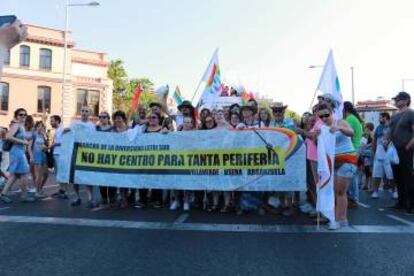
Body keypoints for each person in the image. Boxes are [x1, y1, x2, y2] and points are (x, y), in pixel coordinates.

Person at [317, 104, 356, 229]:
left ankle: (340, 220)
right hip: (333, 163)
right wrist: (316, 135)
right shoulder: (323, 128)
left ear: (332, 112)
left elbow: (351, 133)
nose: (324, 118)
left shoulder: (340, 122)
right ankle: (340, 219)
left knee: (340, 191)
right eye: (321, 116)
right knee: (336, 191)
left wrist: (339, 128)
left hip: (347, 160)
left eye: (326, 115)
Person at [0, 108, 34, 203]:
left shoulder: (20, 126)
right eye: (20, 114)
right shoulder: (16, 125)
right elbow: (9, 137)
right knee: (23, 173)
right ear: (16, 116)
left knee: (14, 175)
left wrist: (27, 138)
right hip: (17, 152)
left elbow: (18, 137)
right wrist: (24, 142)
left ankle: (4, 194)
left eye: (24, 114)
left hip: (19, 152)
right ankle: (24, 196)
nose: (23, 116)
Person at [389, 91, 414, 213]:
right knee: (397, 177)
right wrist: (385, 140)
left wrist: (408, 146)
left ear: (405, 100)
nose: (396, 101)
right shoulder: (394, 116)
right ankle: (401, 202)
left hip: (406, 149)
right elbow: (390, 131)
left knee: (408, 176)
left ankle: (411, 204)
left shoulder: (411, 113)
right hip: (394, 150)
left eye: (398, 99)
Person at [136, 112, 167, 208]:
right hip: (145, 159)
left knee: (156, 179)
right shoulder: (143, 130)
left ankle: (157, 200)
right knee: (143, 179)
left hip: (158, 160)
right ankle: (142, 200)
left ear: (158, 119)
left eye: (154, 117)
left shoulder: (163, 129)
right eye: (149, 117)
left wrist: (166, 133)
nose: (151, 119)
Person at [68, 106, 96, 207]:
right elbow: (69, 135)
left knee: (88, 175)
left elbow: (94, 139)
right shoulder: (74, 124)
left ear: (89, 114)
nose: (84, 113)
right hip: (76, 152)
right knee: (74, 176)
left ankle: (90, 198)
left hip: (87, 153)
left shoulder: (92, 126)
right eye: (83, 111)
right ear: (80, 112)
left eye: (86, 111)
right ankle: (77, 197)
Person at [169, 116, 194, 211]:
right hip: (178, 161)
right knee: (176, 182)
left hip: (189, 162)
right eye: (185, 122)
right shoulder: (177, 134)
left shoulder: (196, 134)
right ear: (182, 123)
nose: (187, 124)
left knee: (186, 183)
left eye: (189, 122)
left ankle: (186, 201)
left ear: (192, 124)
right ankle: (176, 200)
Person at [343, 101, 363, 207]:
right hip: (355, 148)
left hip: (352, 149)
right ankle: (352, 197)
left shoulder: (349, 119)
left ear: (344, 109)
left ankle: (353, 198)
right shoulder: (353, 118)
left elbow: (346, 135)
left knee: (350, 175)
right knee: (351, 174)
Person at [111, 110, 132, 208]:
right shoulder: (112, 130)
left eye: (120, 118)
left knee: (124, 179)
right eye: (116, 118)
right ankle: (117, 198)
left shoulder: (129, 129)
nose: (118, 120)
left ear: (123, 119)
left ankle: (124, 198)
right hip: (114, 158)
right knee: (116, 179)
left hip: (126, 157)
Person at [96, 111, 114, 206]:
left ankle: (111, 197)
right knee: (101, 178)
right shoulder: (96, 129)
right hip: (100, 157)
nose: (102, 119)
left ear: (108, 118)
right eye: (100, 117)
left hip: (111, 156)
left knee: (111, 178)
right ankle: (104, 197)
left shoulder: (113, 129)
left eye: (104, 117)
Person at [49, 115, 67, 199]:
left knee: (61, 173)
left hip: (60, 153)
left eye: (52, 121)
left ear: (57, 121)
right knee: (58, 173)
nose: (50, 122)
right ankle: (61, 190)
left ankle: (64, 191)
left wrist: (50, 146)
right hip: (57, 153)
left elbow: (62, 142)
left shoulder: (62, 129)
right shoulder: (57, 130)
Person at [31, 121, 49, 198]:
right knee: (38, 175)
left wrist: (44, 136)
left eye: (42, 126)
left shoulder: (44, 135)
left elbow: (47, 145)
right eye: (38, 126)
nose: (40, 127)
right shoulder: (34, 135)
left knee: (46, 174)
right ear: (36, 127)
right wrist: (31, 156)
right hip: (36, 155)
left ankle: (40, 188)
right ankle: (37, 191)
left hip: (43, 155)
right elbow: (29, 146)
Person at [360, 122, 374, 191]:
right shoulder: (365, 135)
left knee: (370, 169)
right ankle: (366, 185)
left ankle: (371, 186)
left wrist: (367, 145)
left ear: (368, 128)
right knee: (366, 169)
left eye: (365, 127)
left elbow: (374, 142)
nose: (365, 128)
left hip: (369, 154)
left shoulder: (371, 134)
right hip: (365, 153)